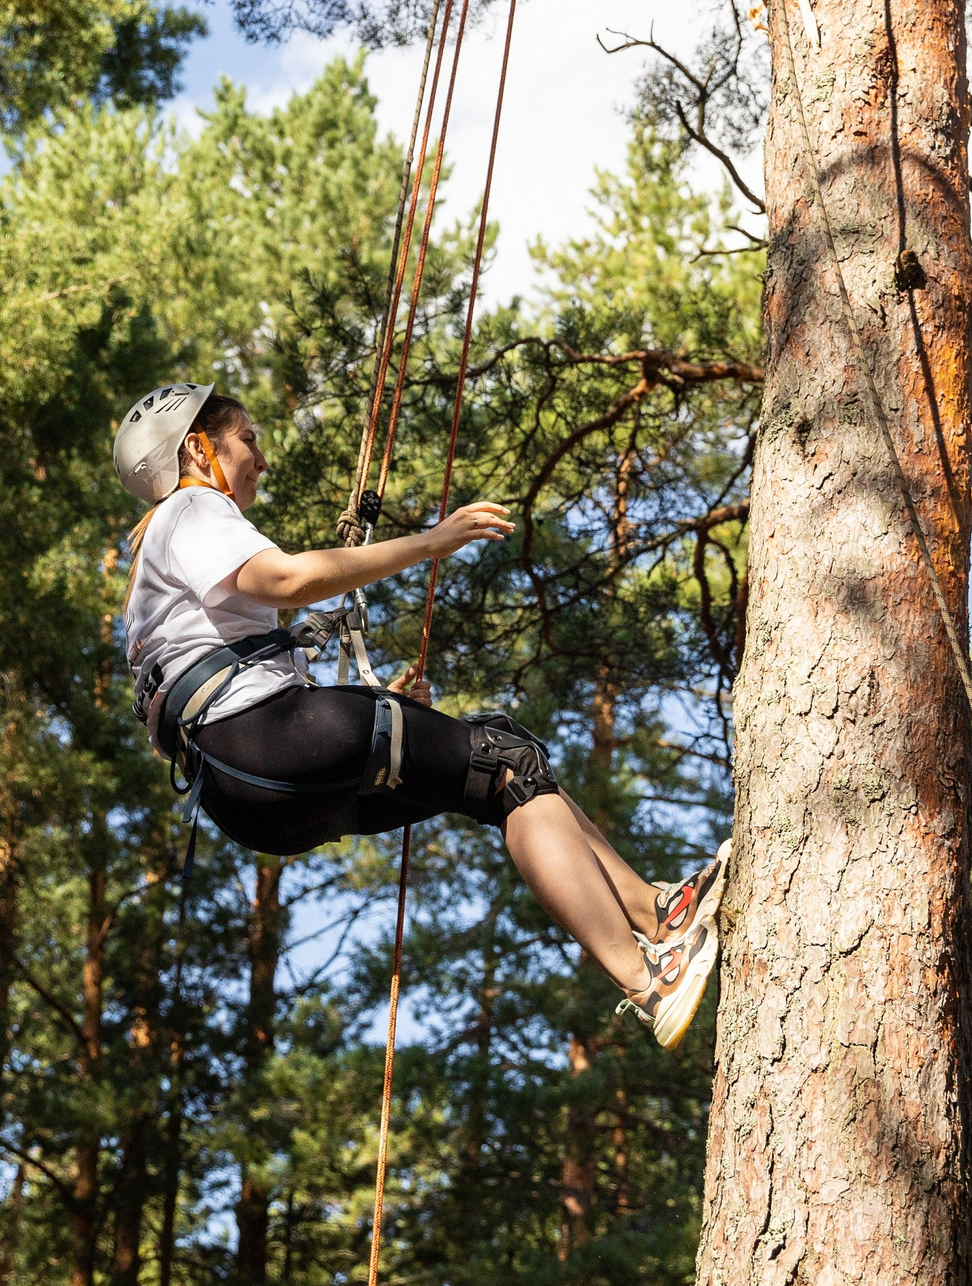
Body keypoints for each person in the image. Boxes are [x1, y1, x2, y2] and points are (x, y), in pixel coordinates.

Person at [116, 382, 730, 1046]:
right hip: (268, 744)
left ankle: (659, 919)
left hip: (246, 793)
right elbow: (287, 580)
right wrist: (432, 542)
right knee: (508, 763)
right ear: (199, 448)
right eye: (248, 439)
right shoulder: (192, 511)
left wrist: (382, 718)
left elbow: (227, 680)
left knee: (488, 770)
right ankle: (648, 968)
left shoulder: (149, 575)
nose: (260, 458)